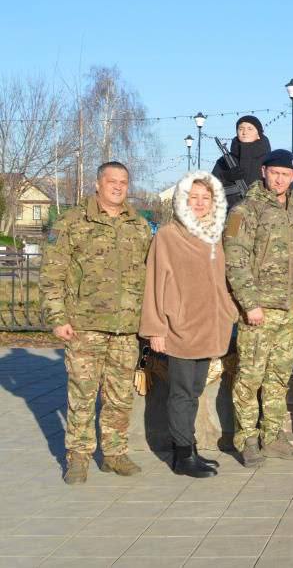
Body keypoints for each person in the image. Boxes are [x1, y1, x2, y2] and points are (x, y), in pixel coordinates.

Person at [40, 161, 152, 484]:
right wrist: (58, 318)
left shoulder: (139, 225)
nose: (118, 187)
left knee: (120, 396)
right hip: (84, 326)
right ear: (98, 184)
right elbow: (52, 275)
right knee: (82, 394)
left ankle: (114, 453)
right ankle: (78, 456)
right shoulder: (73, 221)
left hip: (126, 328)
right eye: (111, 181)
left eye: (123, 182)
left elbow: (151, 273)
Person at [140, 171, 236, 478]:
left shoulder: (214, 236)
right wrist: (156, 328)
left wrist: (229, 311)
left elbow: (220, 281)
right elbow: (155, 283)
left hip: (209, 326)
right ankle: (183, 455)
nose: (199, 203)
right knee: (181, 392)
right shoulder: (168, 235)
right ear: (183, 199)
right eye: (193, 197)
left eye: (205, 198)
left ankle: (190, 448)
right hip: (180, 327)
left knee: (194, 390)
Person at [224, 149, 293, 467]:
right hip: (258, 311)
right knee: (250, 376)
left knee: (278, 377)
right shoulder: (244, 210)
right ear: (263, 172)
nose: (279, 179)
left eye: (285, 174)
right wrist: (250, 303)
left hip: (288, 311)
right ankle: (246, 439)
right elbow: (234, 258)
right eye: (274, 172)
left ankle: (272, 436)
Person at [212, 115, 271, 208]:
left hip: (263, 213)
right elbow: (208, 187)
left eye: (250, 129)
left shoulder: (270, 160)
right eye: (240, 129)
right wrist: (225, 177)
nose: (244, 132)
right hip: (229, 214)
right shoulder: (224, 161)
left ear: (259, 134)